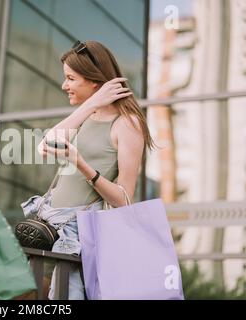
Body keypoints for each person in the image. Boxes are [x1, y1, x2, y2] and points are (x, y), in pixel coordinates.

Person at [22, 40, 155, 299]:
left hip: (79, 237)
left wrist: (82, 165)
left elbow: (124, 200)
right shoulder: (86, 117)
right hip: (49, 228)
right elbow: (45, 146)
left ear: (94, 80)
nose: (64, 86)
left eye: (71, 78)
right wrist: (91, 105)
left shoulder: (127, 124)